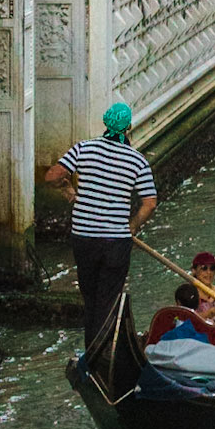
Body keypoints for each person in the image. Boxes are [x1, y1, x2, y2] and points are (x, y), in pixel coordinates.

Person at [45, 101, 157, 347]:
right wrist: (133, 225)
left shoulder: (84, 149)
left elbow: (52, 175)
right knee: (108, 300)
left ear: (106, 123)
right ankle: (102, 353)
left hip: (84, 238)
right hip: (115, 241)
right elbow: (149, 202)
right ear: (128, 127)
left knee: (91, 297)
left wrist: (67, 189)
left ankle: (92, 352)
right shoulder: (137, 161)